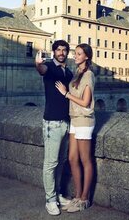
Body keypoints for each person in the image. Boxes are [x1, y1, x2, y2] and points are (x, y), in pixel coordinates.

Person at [55, 43, 95, 213]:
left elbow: (86, 102)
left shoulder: (89, 75)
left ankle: (85, 199)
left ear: (86, 56)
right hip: (74, 119)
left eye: (79, 54)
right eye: (75, 53)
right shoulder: (77, 73)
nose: (75, 56)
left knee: (85, 160)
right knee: (72, 159)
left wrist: (66, 94)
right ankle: (78, 196)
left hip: (85, 120)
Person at [35, 40, 74, 216]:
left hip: (66, 122)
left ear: (67, 52)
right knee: (50, 164)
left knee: (61, 162)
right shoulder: (50, 67)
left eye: (64, 50)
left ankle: (57, 194)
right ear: (54, 52)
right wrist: (38, 64)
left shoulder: (68, 72)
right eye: (58, 50)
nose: (61, 52)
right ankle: (50, 200)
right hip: (52, 122)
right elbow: (42, 71)